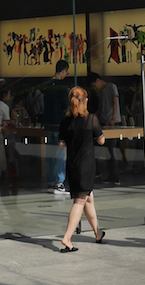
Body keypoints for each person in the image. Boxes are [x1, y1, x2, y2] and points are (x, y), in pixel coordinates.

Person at [58, 86, 106, 253]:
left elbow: (61, 143)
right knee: (80, 201)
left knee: (88, 198)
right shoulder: (91, 119)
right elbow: (101, 140)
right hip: (86, 165)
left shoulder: (65, 121)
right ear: (85, 101)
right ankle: (67, 237)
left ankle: (97, 232)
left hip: (72, 164)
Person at [87, 71, 121, 184]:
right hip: (103, 122)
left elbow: (115, 103)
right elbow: (101, 108)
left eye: (94, 85)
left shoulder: (112, 87)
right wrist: (93, 117)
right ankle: (103, 174)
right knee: (103, 149)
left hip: (112, 122)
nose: (94, 88)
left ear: (98, 80)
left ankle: (115, 175)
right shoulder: (101, 91)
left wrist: (113, 118)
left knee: (112, 149)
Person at [42, 59, 70, 195]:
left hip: (48, 123)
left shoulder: (47, 86)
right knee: (60, 155)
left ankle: (50, 180)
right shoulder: (62, 87)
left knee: (50, 154)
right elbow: (65, 105)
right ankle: (59, 183)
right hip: (59, 124)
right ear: (63, 71)